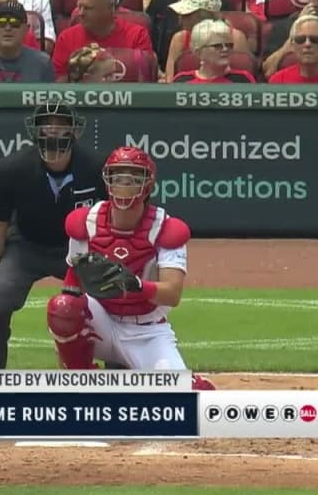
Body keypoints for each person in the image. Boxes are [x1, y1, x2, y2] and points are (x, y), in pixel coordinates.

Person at [45, 147, 216, 390]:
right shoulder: (86, 221)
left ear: (147, 184)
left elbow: (172, 293)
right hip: (102, 319)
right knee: (63, 307)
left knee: (193, 396)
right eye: (118, 177)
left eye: (133, 178)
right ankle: (83, 384)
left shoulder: (165, 228)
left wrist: (136, 285)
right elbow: (72, 281)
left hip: (145, 329)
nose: (124, 184)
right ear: (108, 181)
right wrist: (65, 346)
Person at [0, 98, 113, 370]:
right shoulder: (11, 169)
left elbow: (111, 221)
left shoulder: (97, 168)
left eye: (61, 127)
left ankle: (120, 378)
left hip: (81, 248)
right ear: (35, 131)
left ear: (74, 132)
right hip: (26, 246)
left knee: (112, 303)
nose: (53, 133)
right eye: (47, 127)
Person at [51, 0, 153, 82]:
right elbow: (59, 86)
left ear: (110, 8)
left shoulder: (137, 36)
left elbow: (146, 81)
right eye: (79, 7)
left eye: (87, 8)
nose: (80, 13)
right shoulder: (66, 38)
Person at [171, 19, 256, 83]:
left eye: (229, 45)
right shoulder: (182, 81)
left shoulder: (243, 80)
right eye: (217, 46)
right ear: (199, 52)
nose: (225, 49)